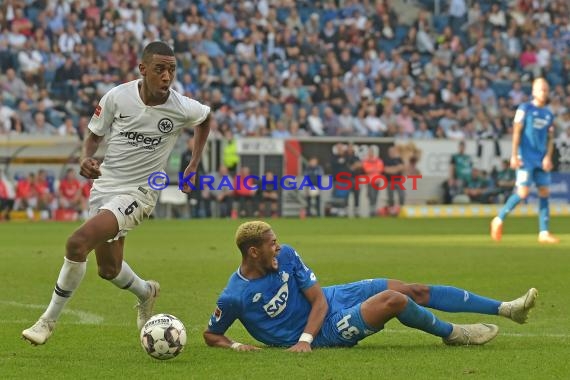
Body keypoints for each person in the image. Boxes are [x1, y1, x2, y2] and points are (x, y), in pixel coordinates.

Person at [22, 41, 211, 345]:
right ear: (143, 69)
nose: (166, 77)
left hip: (140, 192)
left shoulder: (181, 106)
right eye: (160, 69)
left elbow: (205, 119)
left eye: (172, 70)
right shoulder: (117, 97)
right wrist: (86, 157)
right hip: (105, 186)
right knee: (108, 269)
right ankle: (146, 292)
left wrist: (193, 165)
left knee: (77, 243)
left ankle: (47, 322)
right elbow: (95, 133)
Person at [203, 221, 538, 351]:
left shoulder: (286, 255)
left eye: (276, 242)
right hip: (324, 333)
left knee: (411, 289)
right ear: (253, 251)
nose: (278, 247)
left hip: (327, 305)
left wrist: (301, 341)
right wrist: (235, 347)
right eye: (271, 244)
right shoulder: (234, 296)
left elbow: (318, 301)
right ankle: (454, 334)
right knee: (393, 300)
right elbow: (211, 334)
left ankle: (506, 309)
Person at [491, 78, 559, 244]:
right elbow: (516, 132)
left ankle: (543, 232)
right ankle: (498, 219)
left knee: (544, 192)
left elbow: (551, 138)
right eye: (541, 89)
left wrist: (548, 156)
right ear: (534, 91)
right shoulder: (525, 109)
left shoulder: (549, 114)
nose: (544, 92)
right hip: (525, 158)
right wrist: (514, 155)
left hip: (540, 158)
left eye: (546, 89)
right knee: (523, 193)